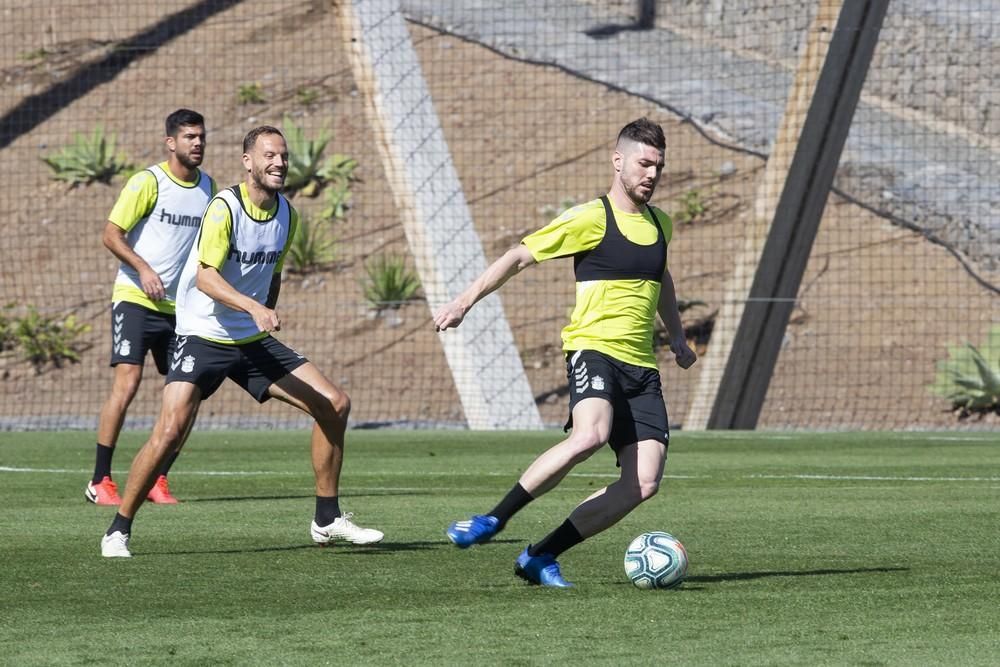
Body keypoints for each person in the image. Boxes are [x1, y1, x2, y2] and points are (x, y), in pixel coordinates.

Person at [434, 118, 697, 587]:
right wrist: (464, 301)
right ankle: (494, 518)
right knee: (589, 436)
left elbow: (661, 277)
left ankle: (541, 556)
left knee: (644, 483)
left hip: (642, 368)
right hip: (593, 350)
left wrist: (675, 335)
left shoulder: (662, 225)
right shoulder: (591, 218)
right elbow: (519, 255)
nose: (652, 173)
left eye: (659, 165)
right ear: (618, 162)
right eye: (644, 163)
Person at [100, 125, 384, 557]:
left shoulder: (287, 214)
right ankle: (119, 528)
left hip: (251, 343)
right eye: (270, 155)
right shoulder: (224, 207)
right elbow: (205, 276)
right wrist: (253, 307)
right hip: (202, 336)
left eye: (284, 156)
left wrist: (263, 310)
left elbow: (273, 274)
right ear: (248, 161)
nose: (279, 163)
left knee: (334, 403)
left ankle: (327, 518)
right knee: (170, 432)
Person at [86, 109, 215, 506]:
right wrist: (143, 269)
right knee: (127, 382)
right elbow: (111, 234)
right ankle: (100, 480)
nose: (197, 143)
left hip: (182, 310)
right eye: (189, 136)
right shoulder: (149, 182)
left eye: (201, 137)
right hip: (136, 298)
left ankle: (158, 478)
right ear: (170, 142)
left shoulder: (209, 188)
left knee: (189, 393)